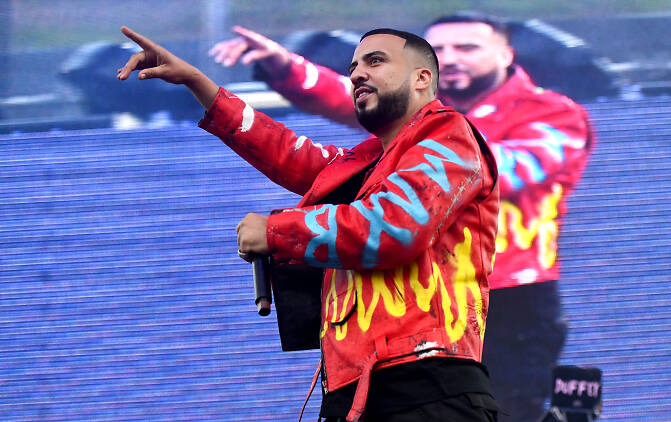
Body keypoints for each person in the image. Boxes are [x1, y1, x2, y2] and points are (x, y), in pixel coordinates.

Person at [209, 11, 595, 422]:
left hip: (514, 295)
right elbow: (355, 97)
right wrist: (287, 68)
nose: (453, 57)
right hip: (419, 298)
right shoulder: (414, 129)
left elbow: (506, 168)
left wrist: (408, 141)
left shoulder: (553, 114)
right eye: (442, 49)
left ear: (506, 54)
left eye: (467, 47)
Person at [118, 26, 502, 422]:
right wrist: (199, 84)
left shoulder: (446, 132)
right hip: (358, 390)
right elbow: (289, 153)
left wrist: (274, 232)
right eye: (353, 67)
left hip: (426, 387)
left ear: (423, 78)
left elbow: (395, 227)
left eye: (375, 61)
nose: (356, 74)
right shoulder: (370, 161)